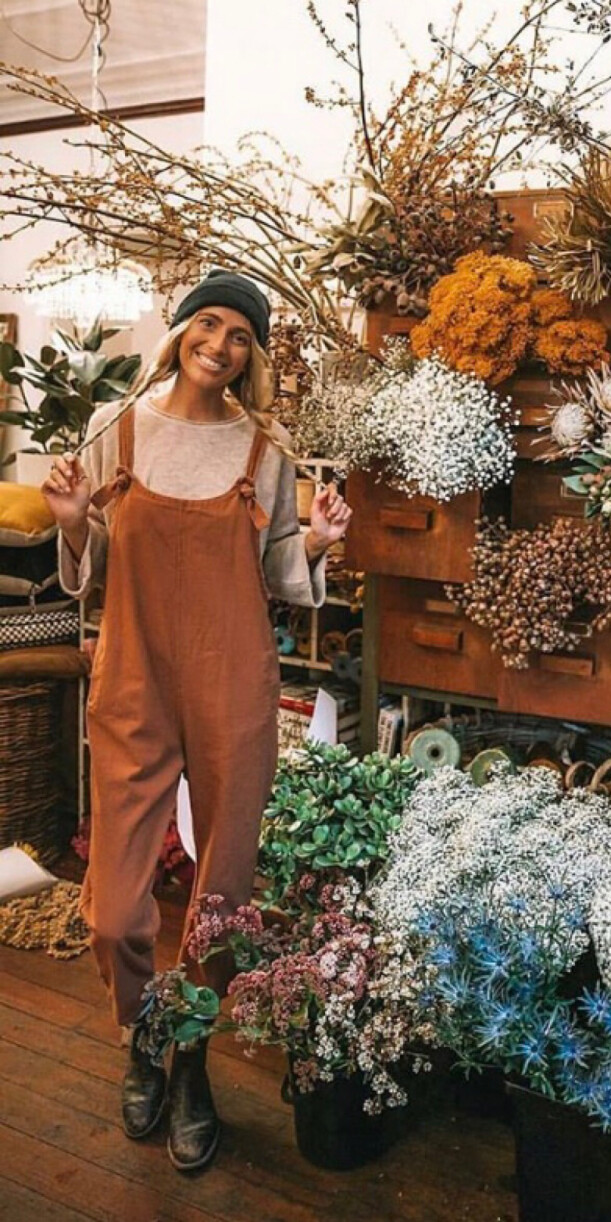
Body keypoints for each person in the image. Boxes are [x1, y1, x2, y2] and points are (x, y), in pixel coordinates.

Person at [41, 270, 352, 1172]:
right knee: (115, 908)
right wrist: (69, 522)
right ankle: (142, 1035)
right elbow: (89, 558)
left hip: (233, 681)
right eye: (207, 324)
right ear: (179, 331)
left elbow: (283, 573)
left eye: (241, 335)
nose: (221, 344)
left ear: (253, 354)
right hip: (134, 677)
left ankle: (190, 1060)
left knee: (223, 893)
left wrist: (320, 544)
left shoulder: (264, 451)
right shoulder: (119, 431)